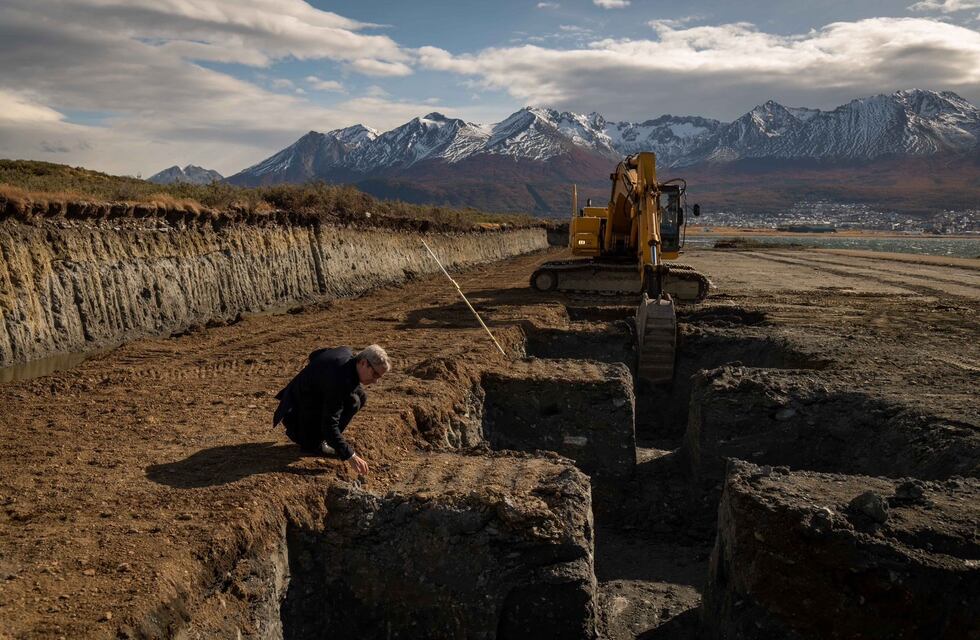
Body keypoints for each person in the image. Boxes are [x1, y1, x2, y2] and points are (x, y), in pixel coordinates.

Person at [272, 344, 390, 475]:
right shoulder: (339, 380)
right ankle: (312, 443)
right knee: (354, 401)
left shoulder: (347, 355)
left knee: (359, 396)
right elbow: (330, 424)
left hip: (305, 404)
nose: (375, 381)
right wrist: (350, 456)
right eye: (375, 374)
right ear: (363, 363)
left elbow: (315, 354)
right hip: (296, 418)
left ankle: (323, 438)